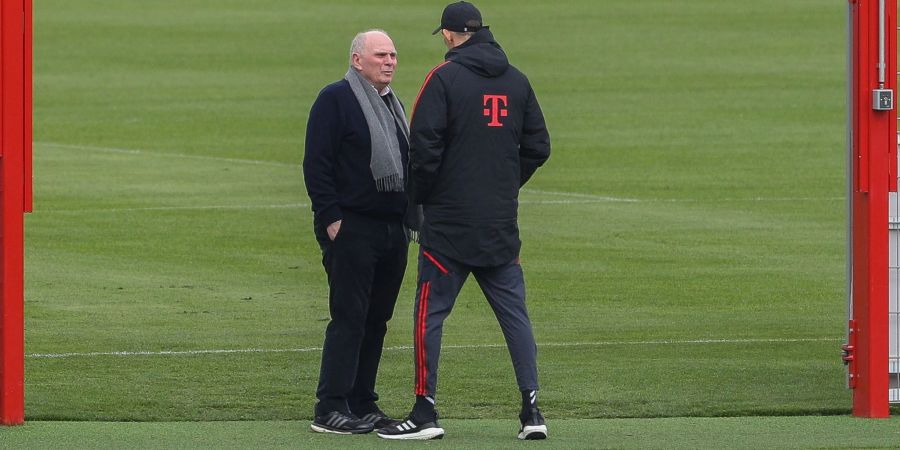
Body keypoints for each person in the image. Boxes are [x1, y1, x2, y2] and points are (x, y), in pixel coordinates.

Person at [376, 1, 551, 441]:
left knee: (428, 316)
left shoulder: (444, 78)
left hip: (448, 226)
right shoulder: (518, 80)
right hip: (499, 222)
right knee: (516, 317)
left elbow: (424, 148)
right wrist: (505, 184)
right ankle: (532, 410)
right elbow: (539, 146)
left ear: (452, 35)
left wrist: (421, 200)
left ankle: (424, 411)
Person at [302, 29, 410, 435]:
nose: (389, 62)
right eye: (381, 54)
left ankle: (362, 400)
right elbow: (317, 162)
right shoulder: (335, 99)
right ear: (356, 59)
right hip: (351, 225)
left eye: (394, 55)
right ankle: (330, 405)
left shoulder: (392, 105)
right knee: (349, 316)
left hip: (391, 228)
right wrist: (330, 216)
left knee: (377, 319)